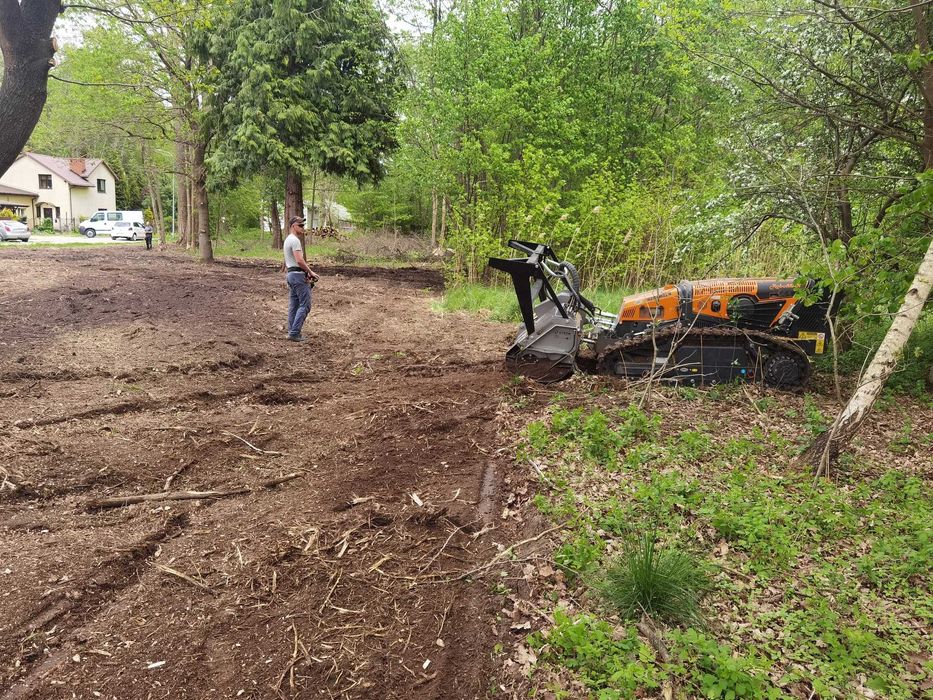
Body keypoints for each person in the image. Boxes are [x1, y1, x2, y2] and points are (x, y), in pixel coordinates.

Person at [283, 216, 320, 342]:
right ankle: (294, 332)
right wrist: (310, 272)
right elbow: (299, 260)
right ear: (293, 226)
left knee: (294, 305)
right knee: (305, 305)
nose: (303, 228)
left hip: (291, 275)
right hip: (298, 276)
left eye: (303, 225)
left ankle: (291, 331)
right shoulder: (295, 240)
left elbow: (293, 261)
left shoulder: (288, 240)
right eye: (300, 225)